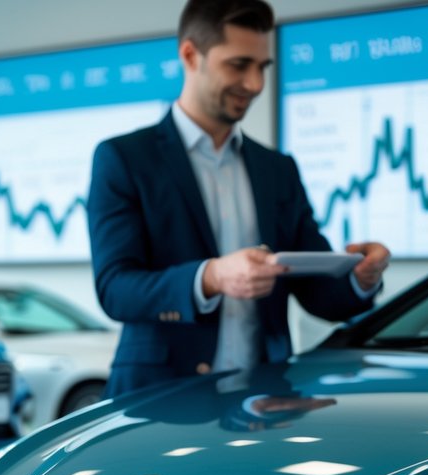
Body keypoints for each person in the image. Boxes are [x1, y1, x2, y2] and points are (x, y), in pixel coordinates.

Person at [87, 0, 391, 398]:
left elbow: (317, 292)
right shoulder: (124, 159)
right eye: (239, 65)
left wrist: (360, 279)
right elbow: (115, 289)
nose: (255, 84)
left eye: (262, 67)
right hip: (160, 398)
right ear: (190, 55)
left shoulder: (277, 169)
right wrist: (211, 277)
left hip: (264, 400)